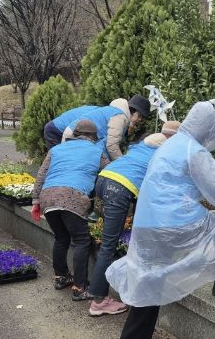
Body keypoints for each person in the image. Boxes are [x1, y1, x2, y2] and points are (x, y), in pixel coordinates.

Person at [106, 102, 215, 339]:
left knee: (150, 281)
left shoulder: (170, 145)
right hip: (175, 224)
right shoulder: (195, 151)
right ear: (208, 129)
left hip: (146, 224)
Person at [88, 125, 178, 317]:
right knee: (109, 245)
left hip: (104, 179)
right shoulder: (166, 153)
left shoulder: (142, 145)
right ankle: (99, 301)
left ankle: (104, 293)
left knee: (112, 239)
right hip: (119, 188)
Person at [32, 120, 109, 300]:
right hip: (73, 196)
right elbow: (109, 175)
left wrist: (35, 200)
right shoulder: (97, 152)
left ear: (75, 134)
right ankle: (80, 287)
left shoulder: (56, 149)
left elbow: (41, 175)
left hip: (48, 196)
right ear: (92, 137)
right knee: (82, 241)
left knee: (61, 237)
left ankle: (61, 277)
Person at [62, 95, 150, 161]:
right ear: (133, 110)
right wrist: (121, 163)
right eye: (139, 116)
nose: (139, 120)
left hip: (75, 134)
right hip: (75, 136)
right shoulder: (120, 116)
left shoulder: (116, 110)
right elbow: (112, 145)